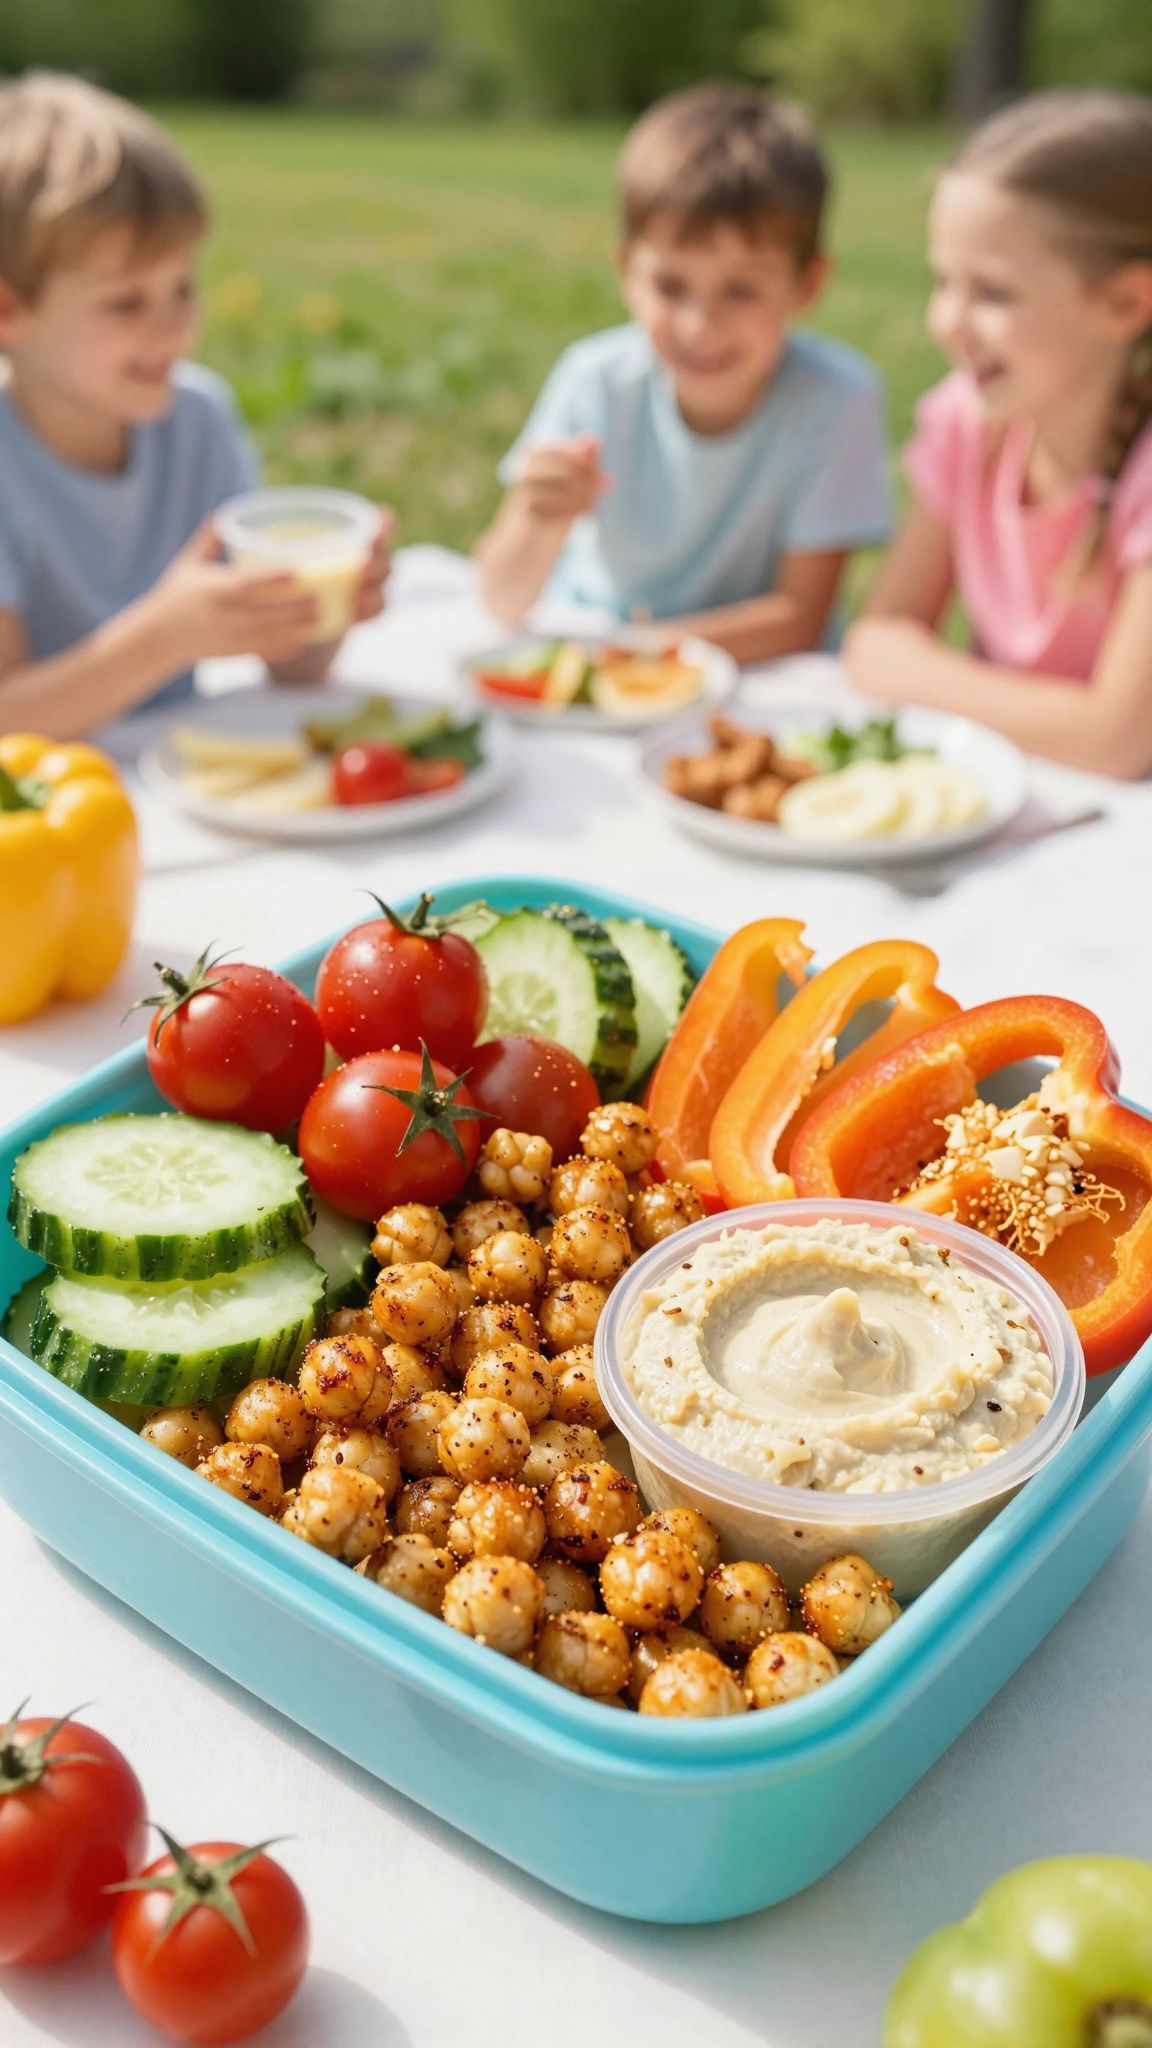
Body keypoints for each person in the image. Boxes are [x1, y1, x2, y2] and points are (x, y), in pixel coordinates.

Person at [0, 73, 392, 739]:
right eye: (127, 302)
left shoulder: (199, 419)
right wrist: (162, 640)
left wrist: (325, 608)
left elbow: (292, 673)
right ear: (9, 310)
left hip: (176, 767)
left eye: (182, 287)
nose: (173, 327)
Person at [475, 84, 890, 664]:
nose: (700, 326)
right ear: (627, 275)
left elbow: (800, 618)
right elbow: (501, 598)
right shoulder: (594, 379)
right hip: (593, 644)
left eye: (741, 290)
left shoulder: (837, 399)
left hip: (752, 676)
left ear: (808, 284)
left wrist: (642, 655)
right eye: (671, 287)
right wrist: (536, 516)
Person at [845, 91, 1152, 780]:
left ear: (1126, 303)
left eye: (993, 293)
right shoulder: (969, 422)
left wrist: (919, 675)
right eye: (943, 280)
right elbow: (876, 639)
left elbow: (1118, 742)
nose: (947, 320)